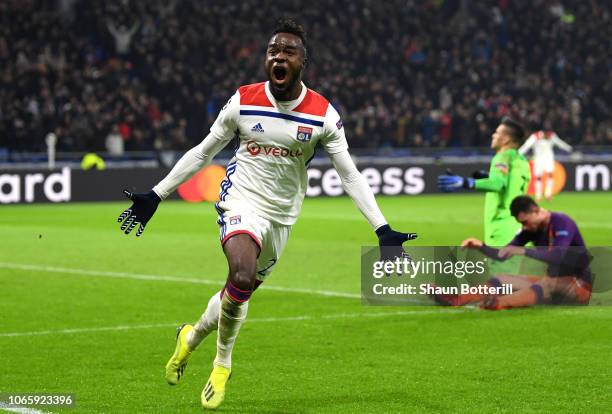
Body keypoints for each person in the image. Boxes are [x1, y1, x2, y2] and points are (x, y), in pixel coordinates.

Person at [116, 18, 416, 410]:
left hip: (282, 218)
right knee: (240, 274)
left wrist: (383, 229)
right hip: (240, 201)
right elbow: (203, 151)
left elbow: (350, 176)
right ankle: (222, 365)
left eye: (288, 51)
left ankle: (189, 338)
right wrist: (158, 193)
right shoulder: (243, 100)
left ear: (303, 62)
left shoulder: (323, 115)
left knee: (235, 294)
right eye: (273, 50)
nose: (278, 56)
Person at [434, 196, 592, 309]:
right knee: (502, 279)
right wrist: (480, 246)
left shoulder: (562, 222)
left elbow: (558, 256)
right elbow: (503, 254)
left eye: (525, 222)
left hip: (579, 286)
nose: (524, 227)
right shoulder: (530, 229)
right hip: (554, 283)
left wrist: (523, 250)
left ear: (536, 211)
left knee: (547, 283)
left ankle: (498, 303)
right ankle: (456, 299)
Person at [437, 117, 531, 247]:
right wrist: (488, 177)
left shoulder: (502, 157)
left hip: (502, 226)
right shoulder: (521, 160)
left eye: (497, 133)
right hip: (519, 225)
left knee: (500, 266)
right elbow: (511, 184)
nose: (493, 135)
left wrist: (467, 182)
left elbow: (497, 184)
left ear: (506, 139)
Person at [519, 130, 573, 201]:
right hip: (538, 158)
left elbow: (560, 143)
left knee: (550, 175)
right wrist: (518, 153)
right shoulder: (535, 137)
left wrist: (570, 149)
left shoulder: (551, 135)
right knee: (538, 177)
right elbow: (526, 146)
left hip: (548, 158)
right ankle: (538, 195)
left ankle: (548, 194)